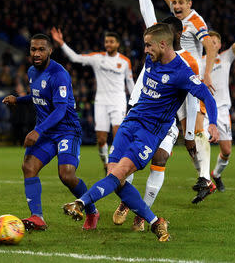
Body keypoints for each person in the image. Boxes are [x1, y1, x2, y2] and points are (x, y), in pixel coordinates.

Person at [63, 24, 219, 241]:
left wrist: (212, 124)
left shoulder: (182, 72)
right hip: (130, 123)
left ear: (163, 44)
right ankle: (156, 221)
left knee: (120, 173)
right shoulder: (151, 59)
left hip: (149, 133)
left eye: (148, 45)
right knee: (114, 178)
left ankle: (80, 203)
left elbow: (207, 96)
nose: (144, 50)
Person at [112, 0, 202, 232]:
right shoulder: (157, 50)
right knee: (128, 165)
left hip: (165, 121)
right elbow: (147, 10)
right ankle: (129, 202)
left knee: (159, 160)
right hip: (139, 110)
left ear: (173, 36)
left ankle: (142, 214)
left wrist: (189, 133)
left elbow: (191, 97)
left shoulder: (188, 61)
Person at [143, 0, 218, 203]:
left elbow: (210, 45)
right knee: (189, 142)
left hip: (191, 78)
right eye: (173, 2)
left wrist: (207, 74)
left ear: (189, 3)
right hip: (176, 79)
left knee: (197, 130)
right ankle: (205, 178)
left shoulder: (196, 20)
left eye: (180, 3)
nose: (175, 6)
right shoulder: (176, 20)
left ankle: (205, 179)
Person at [2, 33, 99, 231]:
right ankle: (37, 217)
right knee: (29, 167)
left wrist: (37, 130)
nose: (36, 53)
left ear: (50, 51)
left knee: (67, 175)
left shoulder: (59, 74)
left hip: (66, 130)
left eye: (41, 49)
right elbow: (38, 95)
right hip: (47, 132)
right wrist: (18, 100)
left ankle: (91, 210)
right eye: (33, 49)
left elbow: (61, 109)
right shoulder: (31, 71)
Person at [51, 28, 135, 173]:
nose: (108, 44)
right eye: (106, 41)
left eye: (111, 42)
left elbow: (130, 83)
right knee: (101, 140)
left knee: (118, 136)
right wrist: (61, 43)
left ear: (117, 44)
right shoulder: (97, 58)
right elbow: (75, 58)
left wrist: (134, 103)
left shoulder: (125, 61)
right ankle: (106, 163)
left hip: (118, 101)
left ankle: (115, 167)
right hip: (101, 102)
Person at [201, 5, 235, 192]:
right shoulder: (198, 62)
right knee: (202, 144)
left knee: (226, 151)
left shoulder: (225, 58)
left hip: (222, 110)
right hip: (204, 110)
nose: (212, 44)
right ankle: (205, 181)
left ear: (220, 45)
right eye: (209, 41)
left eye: (215, 41)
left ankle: (216, 174)